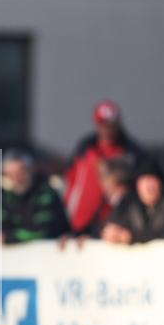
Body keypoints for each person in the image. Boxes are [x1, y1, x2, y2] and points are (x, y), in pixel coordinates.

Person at [64, 100, 143, 233]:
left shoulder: (129, 152)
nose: (107, 130)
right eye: (103, 125)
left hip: (113, 225)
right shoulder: (85, 150)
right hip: (79, 223)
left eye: (111, 125)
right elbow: (71, 184)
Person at [102, 160, 164, 245]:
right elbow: (109, 224)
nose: (148, 187)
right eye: (144, 181)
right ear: (137, 185)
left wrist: (131, 237)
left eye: (152, 181)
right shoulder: (127, 204)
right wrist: (111, 232)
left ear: (160, 184)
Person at [1, 149, 69, 244]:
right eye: (11, 174)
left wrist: (10, 237)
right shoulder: (7, 197)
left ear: (31, 170)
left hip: (49, 255)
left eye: (21, 171)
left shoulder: (46, 194)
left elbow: (42, 232)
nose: (17, 178)